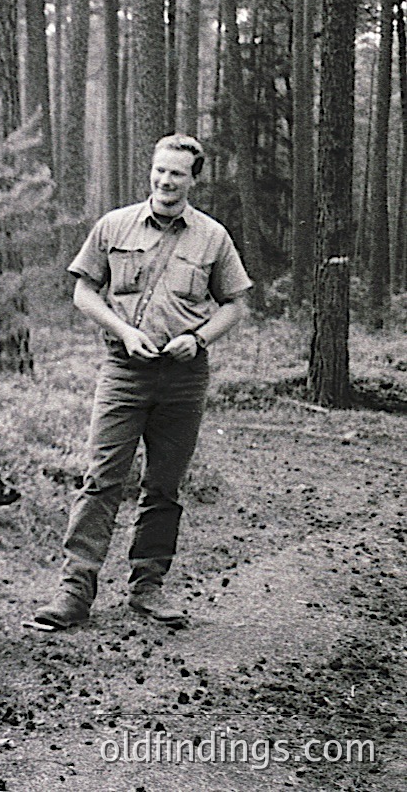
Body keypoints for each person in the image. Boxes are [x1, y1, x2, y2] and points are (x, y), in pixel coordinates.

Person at [31, 134, 251, 631]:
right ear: (149, 170)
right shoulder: (114, 225)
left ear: (194, 179)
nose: (166, 181)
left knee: (164, 486)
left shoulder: (213, 237)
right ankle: (74, 591)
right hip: (124, 372)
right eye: (159, 170)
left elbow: (235, 304)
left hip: (183, 378)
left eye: (177, 173)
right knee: (101, 480)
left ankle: (148, 586)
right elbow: (84, 292)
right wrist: (124, 331)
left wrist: (199, 339)